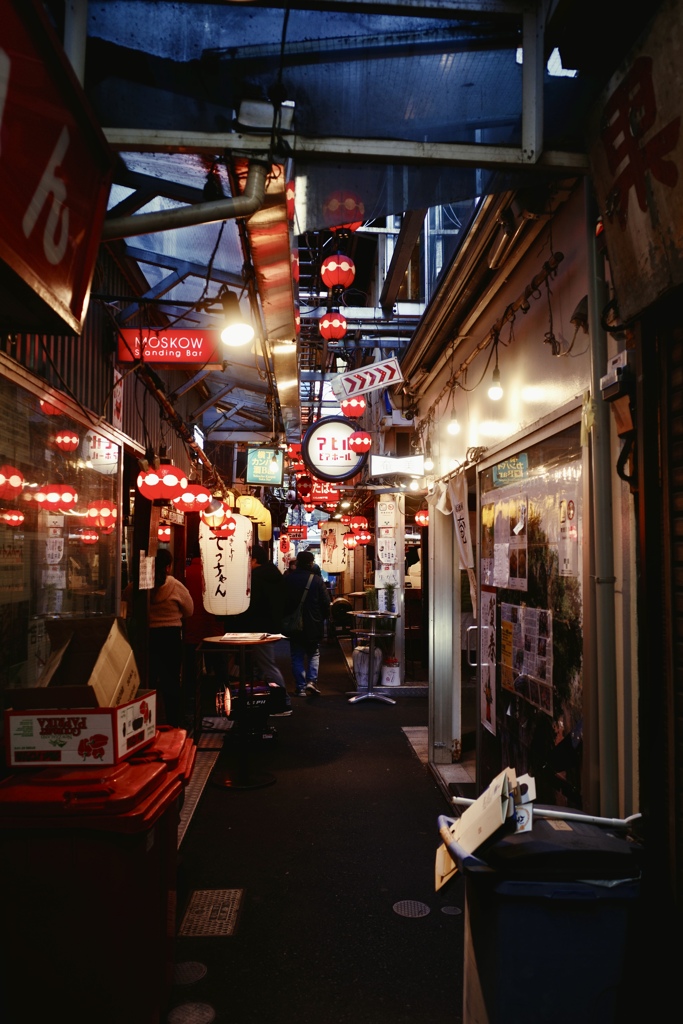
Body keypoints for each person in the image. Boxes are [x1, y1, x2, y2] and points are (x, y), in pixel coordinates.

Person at [227, 545, 293, 715]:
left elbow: (251, 606)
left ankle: (283, 702)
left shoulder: (256, 578)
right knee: (261, 666)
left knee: (266, 666)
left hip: (257, 629)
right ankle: (263, 702)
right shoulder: (274, 575)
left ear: (254, 560)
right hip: (270, 627)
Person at [134, 548, 194, 727]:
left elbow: (127, 602)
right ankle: (175, 722)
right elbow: (189, 610)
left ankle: (146, 724)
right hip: (170, 637)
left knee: (147, 681)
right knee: (172, 681)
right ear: (168, 567)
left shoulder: (138, 584)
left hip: (146, 637)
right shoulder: (175, 586)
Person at [283, 549, 330, 697]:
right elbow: (325, 602)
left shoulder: (288, 579)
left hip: (294, 624)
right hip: (313, 623)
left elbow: (282, 602)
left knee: (297, 655)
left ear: (297, 562)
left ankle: (301, 687)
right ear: (310, 563)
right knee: (313, 653)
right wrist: (323, 618)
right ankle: (311, 682)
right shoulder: (316, 580)